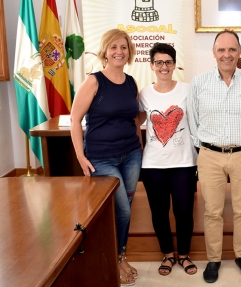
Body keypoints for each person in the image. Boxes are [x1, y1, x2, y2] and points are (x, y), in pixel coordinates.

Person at [187, 29, 241, 283]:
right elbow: (193, 121)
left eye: (232, 49)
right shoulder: (199, 82)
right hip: (210, 155)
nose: (226, 54)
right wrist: (206, 148)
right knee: (213, 211)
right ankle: (214, 259)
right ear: (213, 53)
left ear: (240, 52)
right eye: (221, 49)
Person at [70, 29, 142, 286]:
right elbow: (75, 120)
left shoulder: (132, 82)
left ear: (129, 51)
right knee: (121, 209)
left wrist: (140, 147)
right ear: (105, 51)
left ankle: (120, 254)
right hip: (102, 158)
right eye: (113, 47)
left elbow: (133, 117)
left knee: (126, 209)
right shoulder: (94, 81)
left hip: (131, 154)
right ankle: (115, 258)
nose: (119, 52)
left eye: (123, 47)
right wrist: (81, 156)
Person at [137, 43, 198, 276]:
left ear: (174, 65)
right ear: (152, 65)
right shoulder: (144, 93)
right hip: (153, 164)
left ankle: (183, 255)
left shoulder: (188, 90)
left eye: (168, 62)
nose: (164, 66)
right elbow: (138, 121)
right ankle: (167, 255)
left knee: (184, 211)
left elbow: (196, 121)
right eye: (159, 62)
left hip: (183, 162)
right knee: (159, 212)